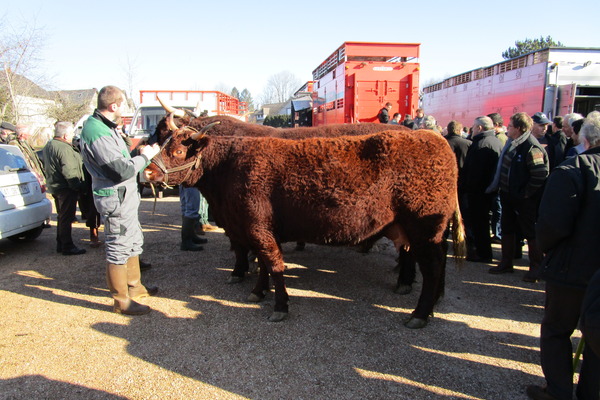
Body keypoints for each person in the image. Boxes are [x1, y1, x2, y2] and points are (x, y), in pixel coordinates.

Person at [526, 116, 600, 400]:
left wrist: (547, 249)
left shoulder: (574, 168)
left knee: (557, 330)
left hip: (572, 270)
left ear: (586, 140)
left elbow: (551, 224)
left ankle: (558, 392)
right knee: (597, 332)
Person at [79, 85, 160, 315]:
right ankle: (121, 301)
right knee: (118, 247)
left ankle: (135, 288)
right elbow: (119, 170)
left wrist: (137, 158)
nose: (124, 109)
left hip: (124, 197)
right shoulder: (96, 131)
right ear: (113, 106)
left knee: (132, 241)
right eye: (123, 104)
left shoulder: (106, 127)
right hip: (115, 198)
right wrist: (145, 157)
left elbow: (121, 161)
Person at [488, 112, 549, 282]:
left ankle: (536, 266)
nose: (507, 128)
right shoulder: (512, 144)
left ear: (519, 129)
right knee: (507, 228)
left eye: (510, 126)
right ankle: (506, 262)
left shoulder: (531, 147)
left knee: (530, 232)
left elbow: (540, 175)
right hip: (508, 195)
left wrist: (525, 194)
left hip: (525, 200)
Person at [41, 122, 87, 256]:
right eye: (72, 134)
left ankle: (61, 243)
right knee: (66, 217)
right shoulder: (64, 148)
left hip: (55, 185)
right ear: (66, 135)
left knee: (62, 216)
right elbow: (69, 171)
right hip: (66, 187)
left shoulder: (49, 145)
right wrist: (78, 187)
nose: (73, 136)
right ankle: (67, 246)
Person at [462, 116, 503, 263]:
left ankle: (483, 253)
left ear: (479, 128)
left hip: (478, 192)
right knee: (483, 222)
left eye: (473, 127)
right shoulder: (496, 142)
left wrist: (468, 189)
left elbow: (474, 173)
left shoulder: (481, 145)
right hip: (488, 191)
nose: (472, 129)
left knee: (479, 223)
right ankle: (484, 252)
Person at [445, 120, 472, 251]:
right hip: (464, 183)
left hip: (446, 183)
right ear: (460, 130)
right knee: (463, 212)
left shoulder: (442, 143)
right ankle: (465, 240)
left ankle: (444, 236)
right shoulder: (468, 144)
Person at [179, 185, 207, 251]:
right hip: (190, 179)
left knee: (186, 207)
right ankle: (186, 241)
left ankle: (191, 236)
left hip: (184, 179)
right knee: (192, 209)